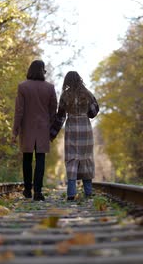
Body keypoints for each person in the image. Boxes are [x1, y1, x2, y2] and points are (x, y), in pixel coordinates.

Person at [13, 60, 57, 201]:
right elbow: (53, 110)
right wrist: (50, 128)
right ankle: (38, 192)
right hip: (43, 128)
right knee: (40, 159)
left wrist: (15, 131)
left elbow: (19, 111)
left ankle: (27, 190)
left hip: (27, 128)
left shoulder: (23, 87)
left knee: (26, 159)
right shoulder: (50, 88)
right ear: (43, 71)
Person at [50, 71, 99, 200]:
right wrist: (85, 111)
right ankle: (88, 193)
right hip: (85, 129)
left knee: (71, 159)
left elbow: (60, 117)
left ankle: (71, 194)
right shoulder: (88, 94)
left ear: (67, 81)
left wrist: (52, 134)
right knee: (86, 158)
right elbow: (94, 112)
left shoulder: (65, 95)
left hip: (71, 129)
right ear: (79, 79)